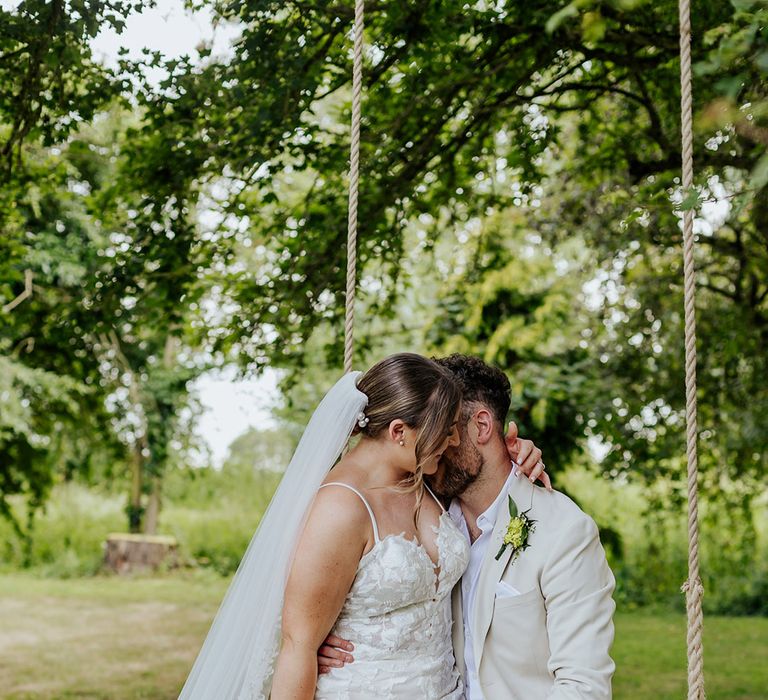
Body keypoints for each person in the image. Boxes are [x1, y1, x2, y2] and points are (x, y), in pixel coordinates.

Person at [179, 352, 547, 700]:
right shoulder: (340, 508)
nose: (452, 442)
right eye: (446, 430)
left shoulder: (425, 478)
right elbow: (298, 645)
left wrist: (518, 456)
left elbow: (484, 478)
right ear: (399, 432)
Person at [320, 354, 616, 699]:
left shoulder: (564, 531)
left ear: (481, 426)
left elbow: (583, 688)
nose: (433, 445)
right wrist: (334, 640)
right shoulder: (425, 510)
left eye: (445, 429)